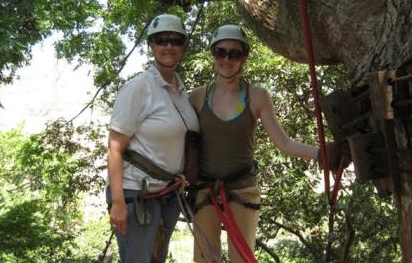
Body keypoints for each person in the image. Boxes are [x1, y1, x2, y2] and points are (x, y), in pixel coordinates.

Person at [188, 24, 319, 263]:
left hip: (242, 188)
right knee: (204, 259)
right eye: (220, 52)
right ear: (213, 54)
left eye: (234, 54)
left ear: (244, 58)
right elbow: (177, 139)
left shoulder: (257, 96)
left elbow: (284, 143)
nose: (226, 59)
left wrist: (322, 154)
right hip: (204, 189)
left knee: (242, 258)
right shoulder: (197, 97)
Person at [106, 14, 199, 263]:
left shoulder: (180, 90)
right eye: (162, 40)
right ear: (151, 46)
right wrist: (117, 203)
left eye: (175, 40)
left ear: (183, 46)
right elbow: (115, 148)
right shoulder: (139, 88)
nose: (168, 46)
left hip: (169, 195)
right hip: (136, 194)